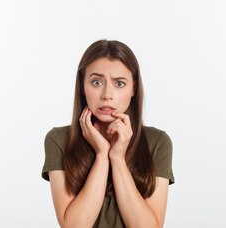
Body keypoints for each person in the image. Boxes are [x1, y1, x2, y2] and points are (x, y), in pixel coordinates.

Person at [41, 39, 174, 228]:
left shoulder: (157, 142)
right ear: (82, 86)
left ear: (133, 88)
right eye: (96, 82)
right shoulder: (59, 140)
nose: (107, 94)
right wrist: (102, 155)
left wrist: (117, 158)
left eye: (119, 83)